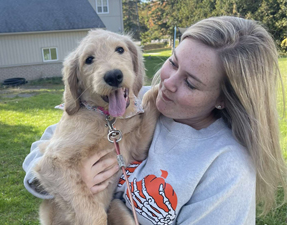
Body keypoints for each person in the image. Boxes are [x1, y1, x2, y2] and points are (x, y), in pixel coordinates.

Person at [23, 16, 287, 224]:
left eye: (191, 83)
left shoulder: (227, 168)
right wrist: (68, 183)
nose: (167, 83)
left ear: (224, 99)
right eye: (173, 62)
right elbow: (45, 153)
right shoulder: (138, 101)